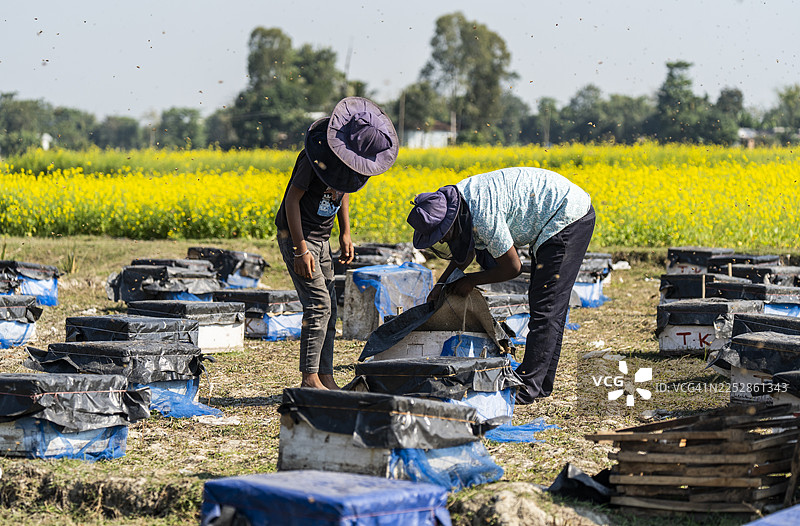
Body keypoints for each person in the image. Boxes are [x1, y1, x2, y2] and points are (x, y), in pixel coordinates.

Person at [405, 167, 594, 404]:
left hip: (567, 215)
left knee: (547, 306)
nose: (442, 240)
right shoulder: (462, 203)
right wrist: (441, 284)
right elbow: (466, 251)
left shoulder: (482, 215)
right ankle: (542, 383)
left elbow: (512, 268)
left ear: (451, 219)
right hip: (552, 216)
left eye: (443, 235)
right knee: (546, 304)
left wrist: (470, 280)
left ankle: (527, 387)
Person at [275, 97, 398, 389]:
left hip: (323, 239)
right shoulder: (314, 156)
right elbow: (291, 201)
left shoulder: (347, 164)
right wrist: (300, 249)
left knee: (330, 306)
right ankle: (309, 378)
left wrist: (345, 233)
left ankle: (325, 375)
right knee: (318, 304)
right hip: (299, 237)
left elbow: (341, 192)